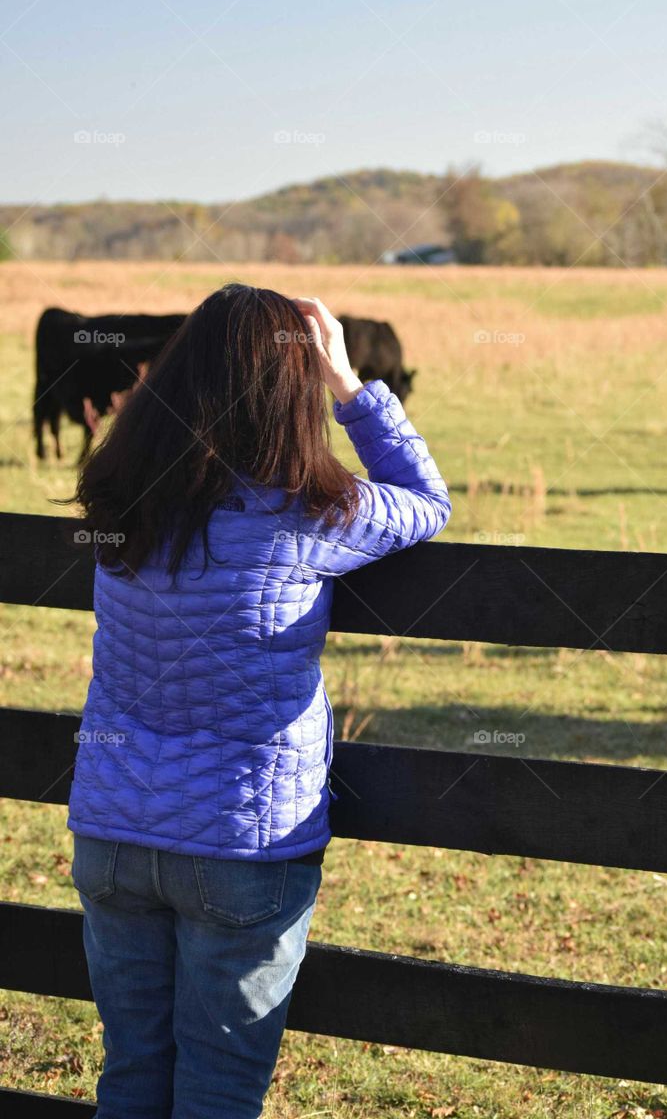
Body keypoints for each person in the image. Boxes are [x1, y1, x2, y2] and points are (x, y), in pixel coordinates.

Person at [65, 284, 451, 1119]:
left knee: (130, 1078)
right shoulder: (309, 514)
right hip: (243, 845)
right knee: (218, 1094)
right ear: (291, 388)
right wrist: (351, 388)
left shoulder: (121, 502)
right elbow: (427, 501)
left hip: (112, 837)